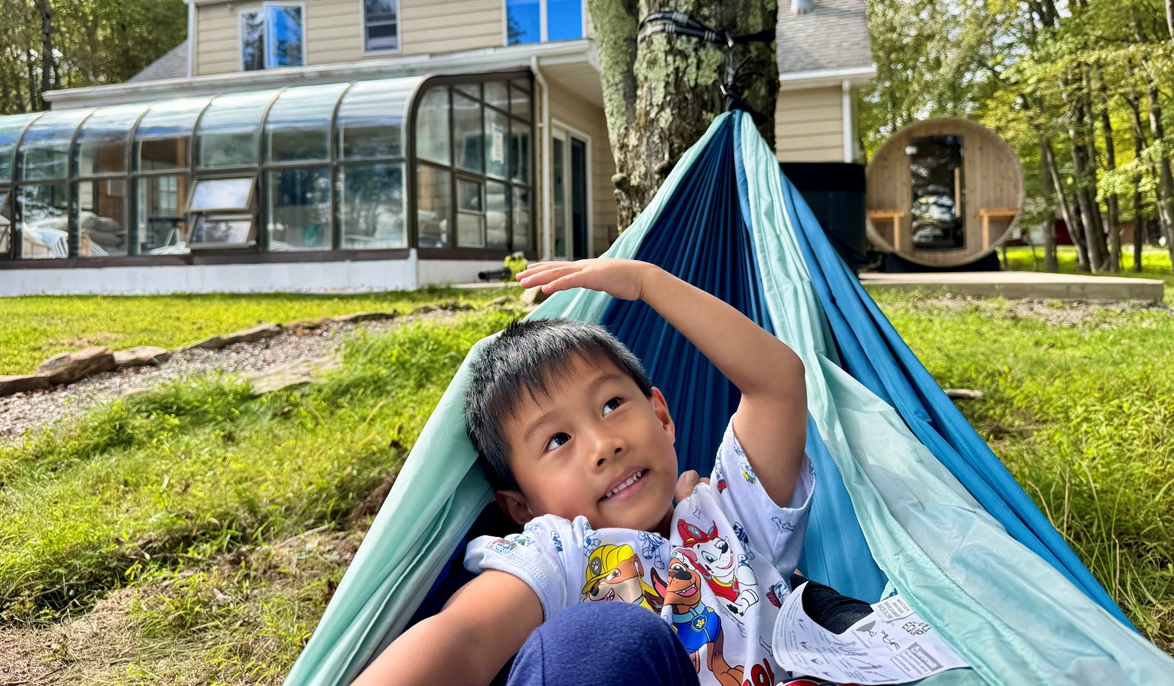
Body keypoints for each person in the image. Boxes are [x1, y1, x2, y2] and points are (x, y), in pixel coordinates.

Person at [356, 258, 868, 686]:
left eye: (612, 404)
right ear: (521, 507)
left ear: (662, 417)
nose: (605, 445)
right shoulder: (560, 554)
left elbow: (778, 382)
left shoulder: (733, 513)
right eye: (558, 440)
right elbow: (462, 639)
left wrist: (648, 282)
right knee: (603, 637)